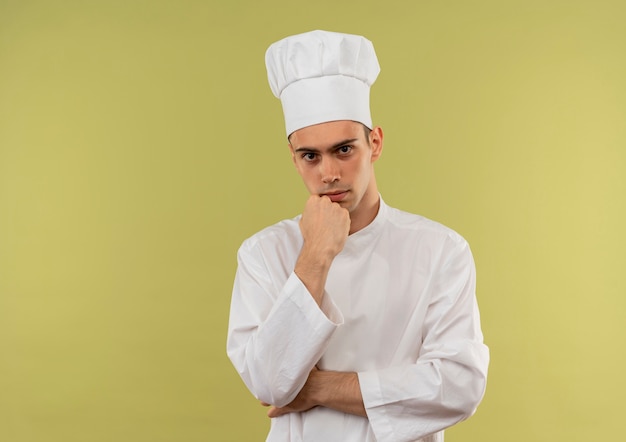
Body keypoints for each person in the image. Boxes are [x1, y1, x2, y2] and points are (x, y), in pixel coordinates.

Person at [226, 30, 489, 442]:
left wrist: (317, 388)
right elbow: (270, 383)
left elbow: (459, 386)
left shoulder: (440, 250)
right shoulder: (264, 253)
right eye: (310, 156)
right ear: (294, 160)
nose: (328, 172)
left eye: (344, 150)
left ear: (375, 143)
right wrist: (316, 255)